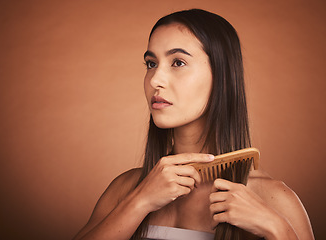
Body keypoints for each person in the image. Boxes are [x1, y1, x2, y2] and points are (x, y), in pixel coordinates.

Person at [73, 9, 314, 240]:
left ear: (222, 76)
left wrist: (277, 229)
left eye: (178, 62)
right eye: (151, 63)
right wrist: (141, 201)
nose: (155, 79)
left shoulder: (273, 198)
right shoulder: (125, 191)